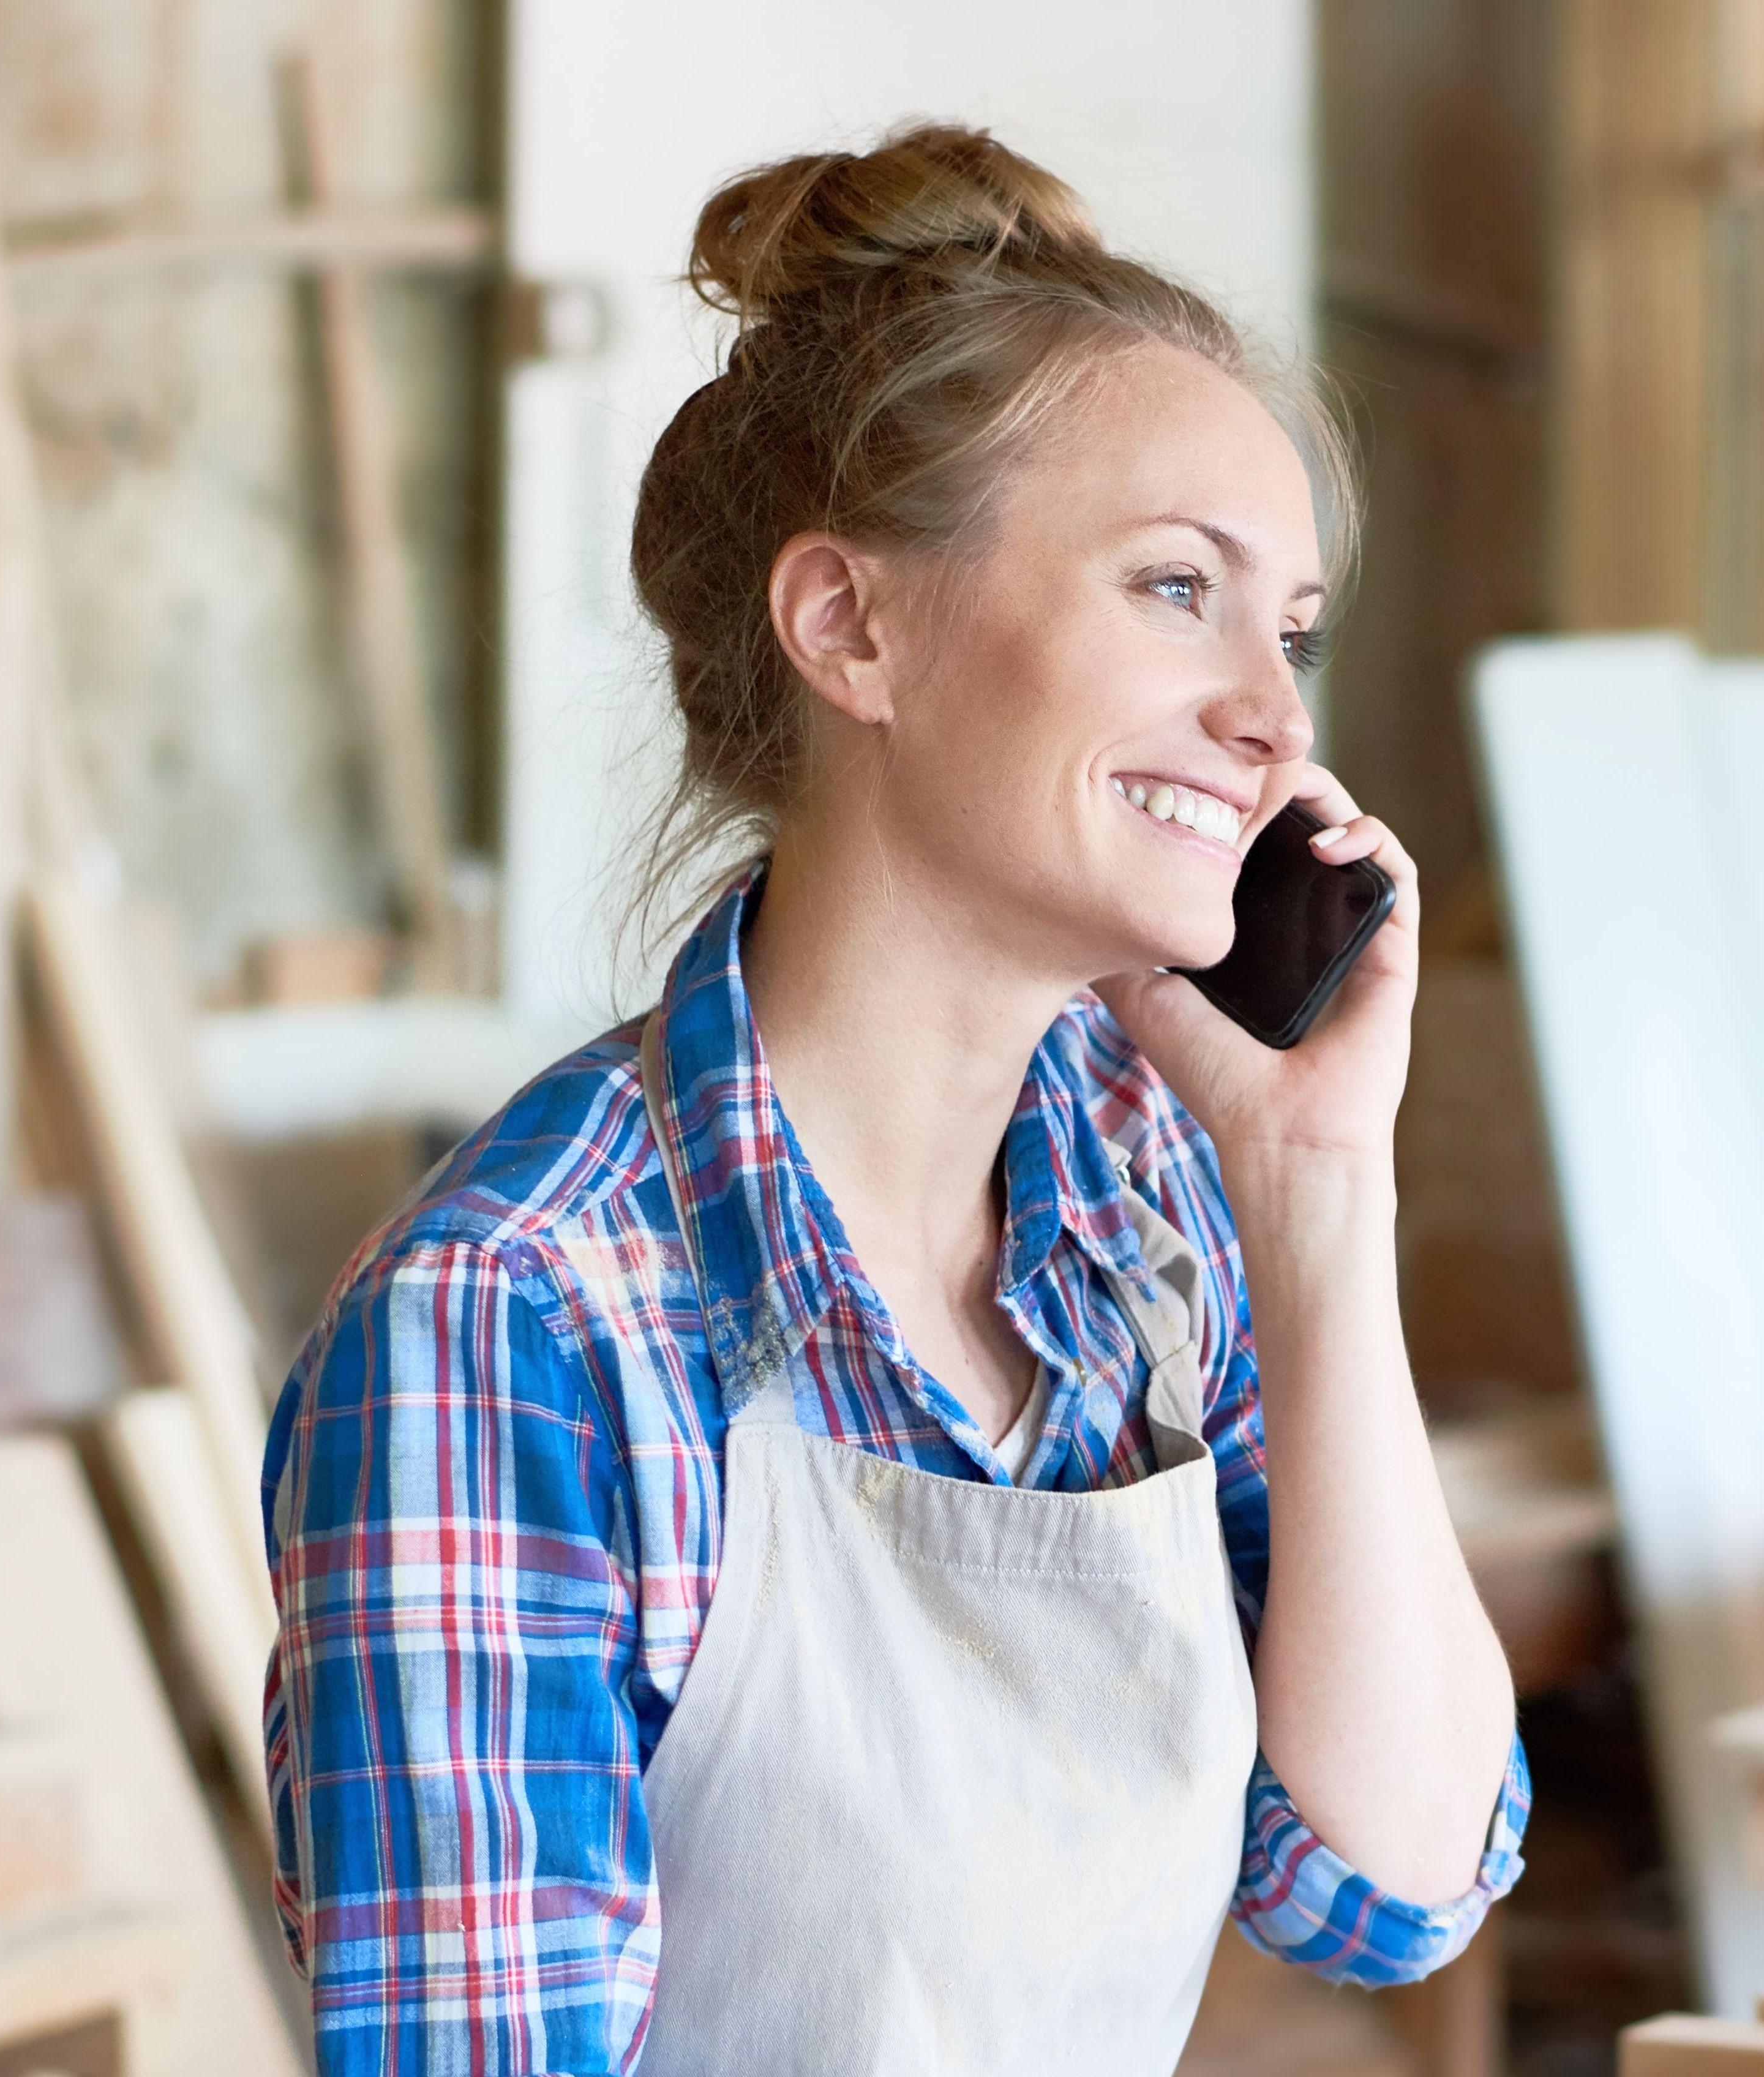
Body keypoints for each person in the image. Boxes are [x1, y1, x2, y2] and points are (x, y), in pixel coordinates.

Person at [261, 123, 1527, 2075]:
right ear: (851, 624)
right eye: (1176, 589)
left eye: (1291, 628)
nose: (1277, 717)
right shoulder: (521, 1327)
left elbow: (1388, 1880)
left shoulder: (1145, 1226)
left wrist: (1313, 1183)